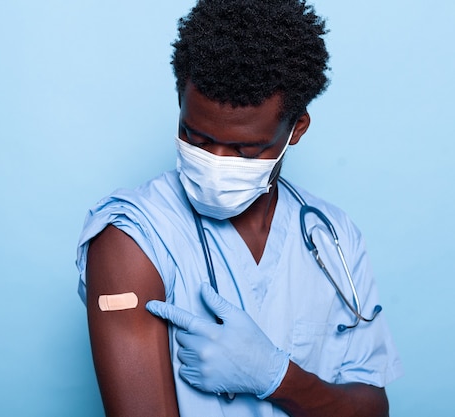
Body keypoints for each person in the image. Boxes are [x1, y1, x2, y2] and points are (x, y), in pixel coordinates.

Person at [76, 0, 403, 416]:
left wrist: (277, 377)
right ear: (181, 101)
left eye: (246, 150)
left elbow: (374, 410)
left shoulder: (332, 236)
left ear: (295, 130)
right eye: (195, 138)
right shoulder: (131, 239)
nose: (214, 162)